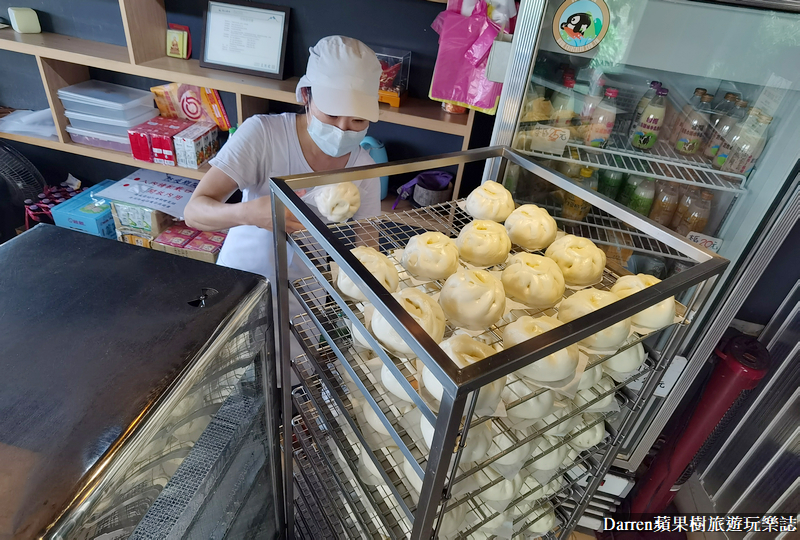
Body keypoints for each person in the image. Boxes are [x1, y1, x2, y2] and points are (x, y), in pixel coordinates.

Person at [185, 36, 383, 362]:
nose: (343, 129)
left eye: (358, 121)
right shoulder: (264, 135)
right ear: (306, 96)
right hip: (240, 281)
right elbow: (194, 212)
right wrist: (250, 213)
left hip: (305, 295)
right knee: (222, 372)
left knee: (287, 382)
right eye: (332, 115)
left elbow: (367, 250)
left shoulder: (364, 168)